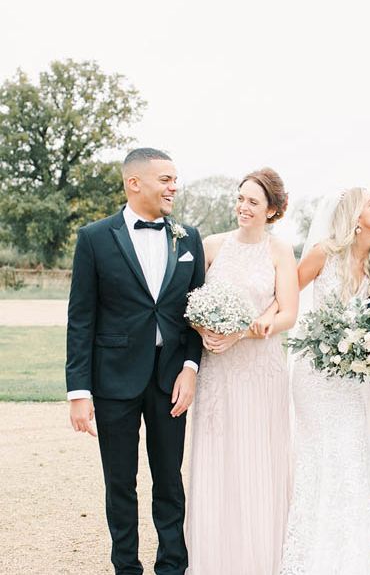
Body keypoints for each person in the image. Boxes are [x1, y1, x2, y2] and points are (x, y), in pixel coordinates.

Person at [66, 148, 205, 575]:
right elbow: (80, 318)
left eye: (174, 179)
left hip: (170, 379)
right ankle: (125, 566)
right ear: (134, 183)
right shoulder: (94, 238)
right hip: (113, 381)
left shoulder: (189, 238)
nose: (173, 187)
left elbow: (196, 314)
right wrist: (78, 391)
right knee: (120, 483)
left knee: (169, 482)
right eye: (165, 179)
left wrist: (190, 367)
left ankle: (172, 566)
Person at [186, 168, 298, 575]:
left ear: (272, 210)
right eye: (240, 199)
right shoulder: (211, 246)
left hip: (259, 368)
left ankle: (260, 556)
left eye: (253, 201)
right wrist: (204, 329)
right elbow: (190, 302)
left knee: (258, 455)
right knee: (219, 454)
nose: (242, 207)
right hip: (218, 369)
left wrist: (241, 334)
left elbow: (287, 312)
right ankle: (215, 555)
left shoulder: (279, 251)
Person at [280, 188, 370, 575]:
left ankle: (348, 546)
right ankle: (311, 545)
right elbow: (286, 296)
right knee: (320, 453)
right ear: (356, 217)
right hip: (317, 373)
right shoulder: (324, 253)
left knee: (352, 453)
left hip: (355, 377)